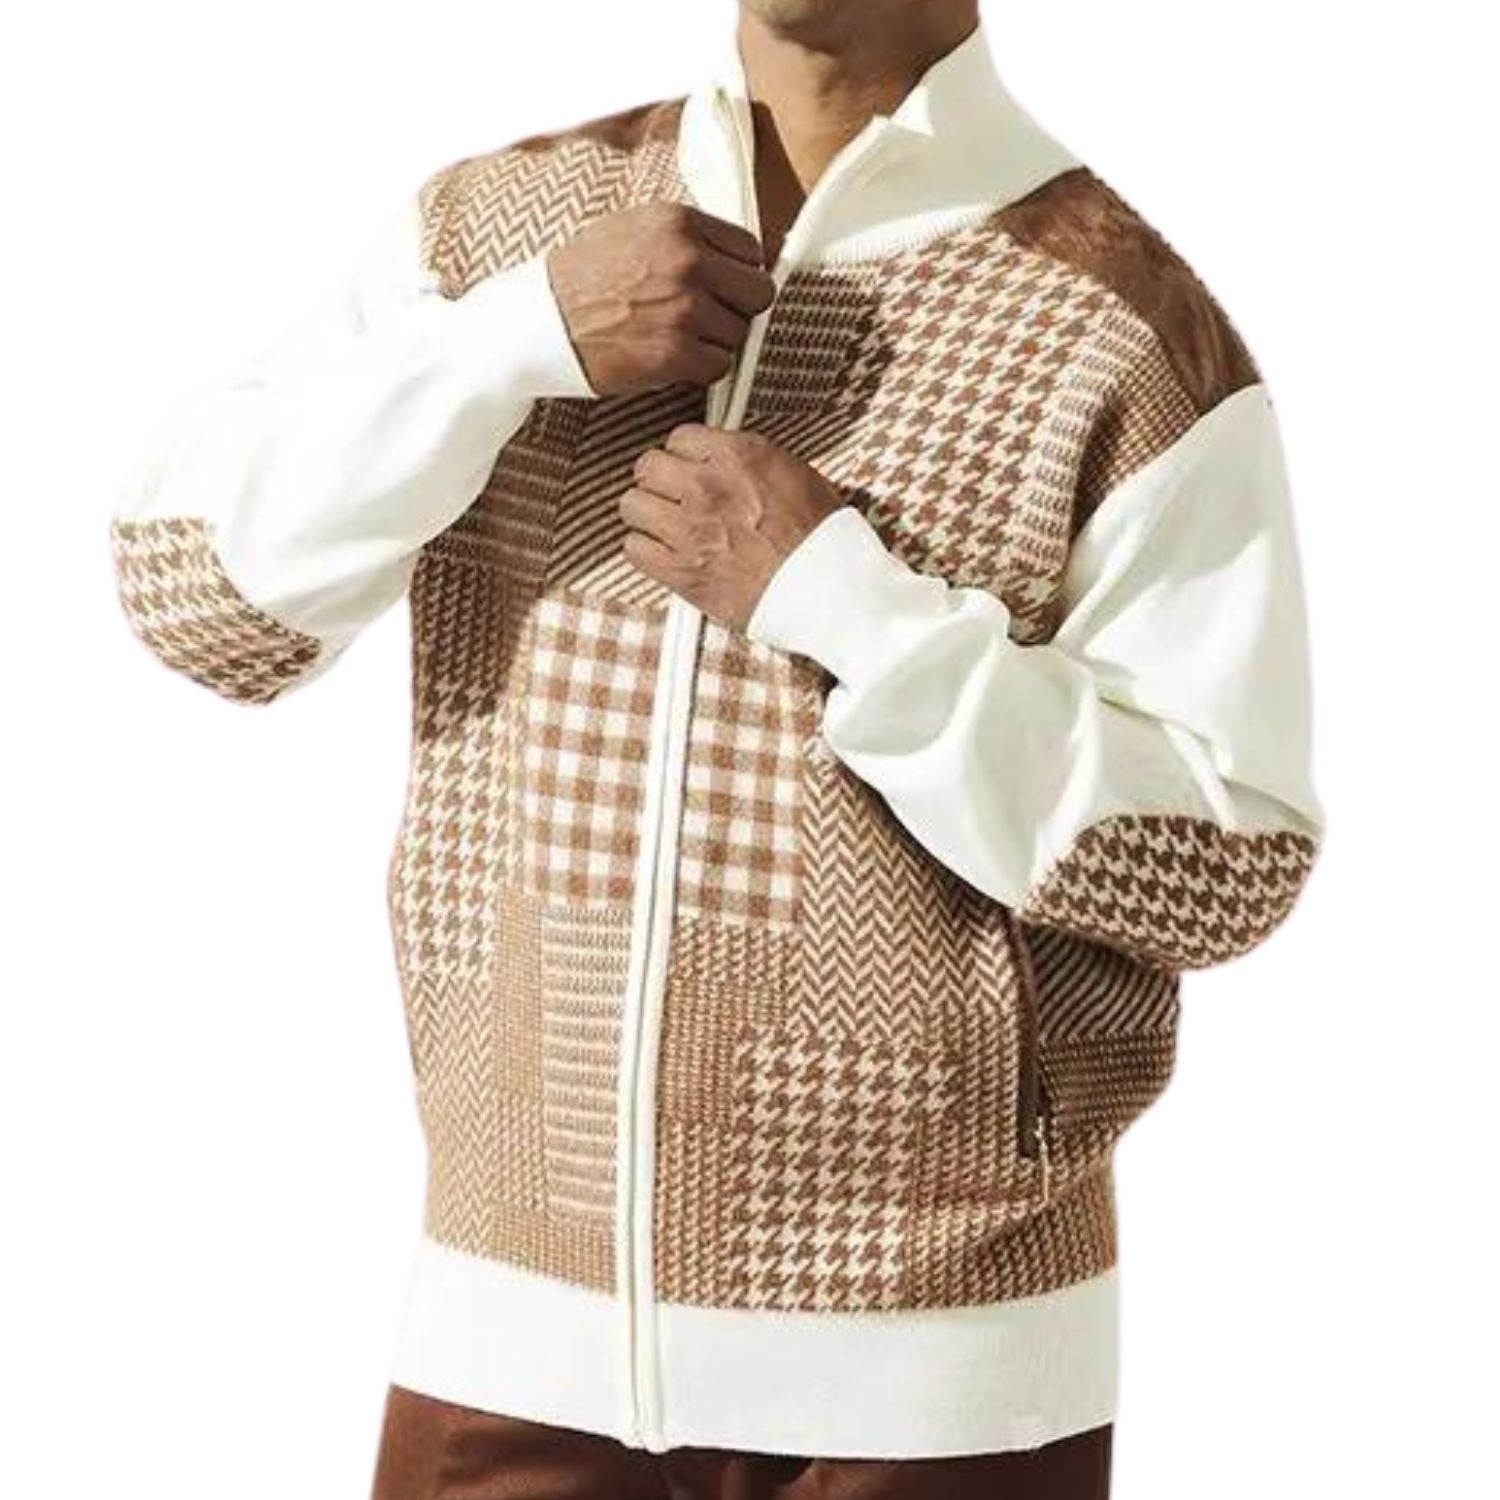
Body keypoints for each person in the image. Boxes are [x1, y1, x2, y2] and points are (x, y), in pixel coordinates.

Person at [108, 1, 1325, 1495]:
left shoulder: (1120, 325)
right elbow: (199, 606)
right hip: (507, 1332)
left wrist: (852, 608)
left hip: (932, 1385)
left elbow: (1224, 863)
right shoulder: (500, 239)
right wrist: (509, 343)